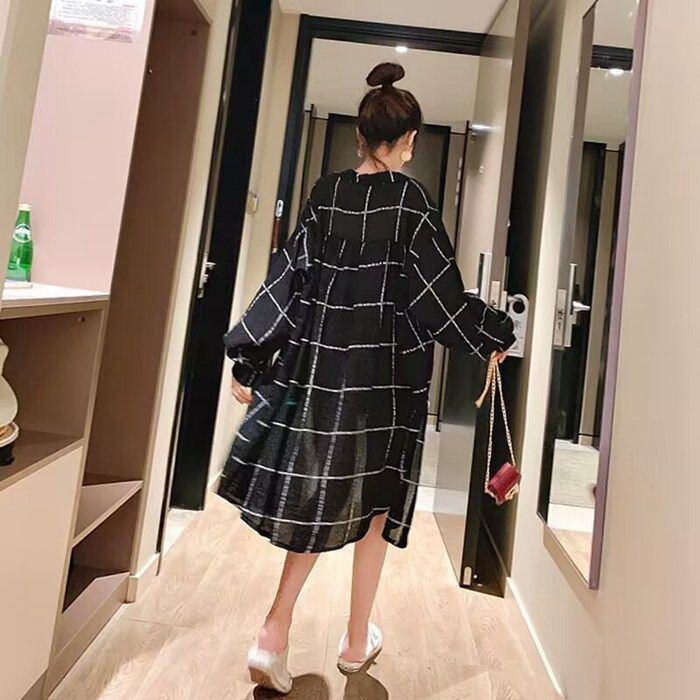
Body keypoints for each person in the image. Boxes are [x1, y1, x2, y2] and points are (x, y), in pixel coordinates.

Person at [218, 62, 515, 693]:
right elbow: (440, 302)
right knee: (377, 505)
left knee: (317, 497)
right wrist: (494, 334)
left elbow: (288, 277)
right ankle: (356, 642)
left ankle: (273, 632)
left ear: (359, 137)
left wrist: (249, 354)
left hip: (325, 380)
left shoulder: (327, 194)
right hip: (388, 385)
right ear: (408, 140)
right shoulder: (413, 203)